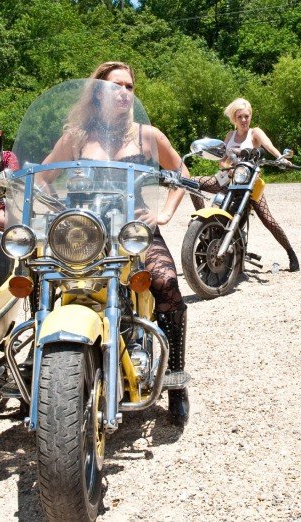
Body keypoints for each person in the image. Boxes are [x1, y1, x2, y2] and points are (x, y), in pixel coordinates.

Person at [40, 61, 192, 426]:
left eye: (129, 87)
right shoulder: (76, 137)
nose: (124, 93)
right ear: (97, 93)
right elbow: (42, 176)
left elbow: (181, 173)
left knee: (167, 285)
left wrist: (164, 214)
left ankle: (175, 379)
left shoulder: (146, 136)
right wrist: (56, 209)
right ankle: (45, 372)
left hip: (134, 232)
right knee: (38, 278)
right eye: (115, 86)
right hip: (84, 234)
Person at [189, 98, 300, 272]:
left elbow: (268, 145)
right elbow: (222, 162)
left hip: (249, 182)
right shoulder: (230, 136)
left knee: (268, 220)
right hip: (229, 179)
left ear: (250, 116)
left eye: (246, 116)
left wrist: (281, 158)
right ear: (234, 118)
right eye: (240, 116)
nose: (243, 120)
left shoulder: (255, 133)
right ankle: (204, 223)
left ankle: (291, 253)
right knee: (192, 182)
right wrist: (226, 166)